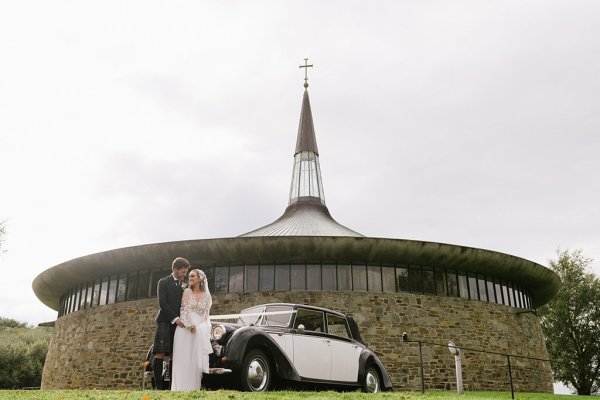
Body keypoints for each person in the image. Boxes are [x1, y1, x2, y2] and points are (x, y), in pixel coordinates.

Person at [171, 268, 213, 391]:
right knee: (183, 360)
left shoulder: (207, 296)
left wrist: (200, 327)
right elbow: (184, 310)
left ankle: (194, 389)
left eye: (193, 276)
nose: (190, 278)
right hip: (184, 329)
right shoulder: (187, 292)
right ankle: (179, 389)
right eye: (189, 276)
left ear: (200, 279)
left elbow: (206, 315)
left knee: (195, 361)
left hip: (199, 331)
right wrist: (190, 325)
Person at [152, 257, 190, 390]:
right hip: (165, 321)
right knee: (160, 353)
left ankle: (170, 387)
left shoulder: (183, 285)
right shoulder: (163, 282)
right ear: (175, 269)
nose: (184, 275)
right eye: (183, 272)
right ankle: (158, 387)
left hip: (178, 324)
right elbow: (162, 303)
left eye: (185, 272)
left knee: (175, 353)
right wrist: (175, 318)